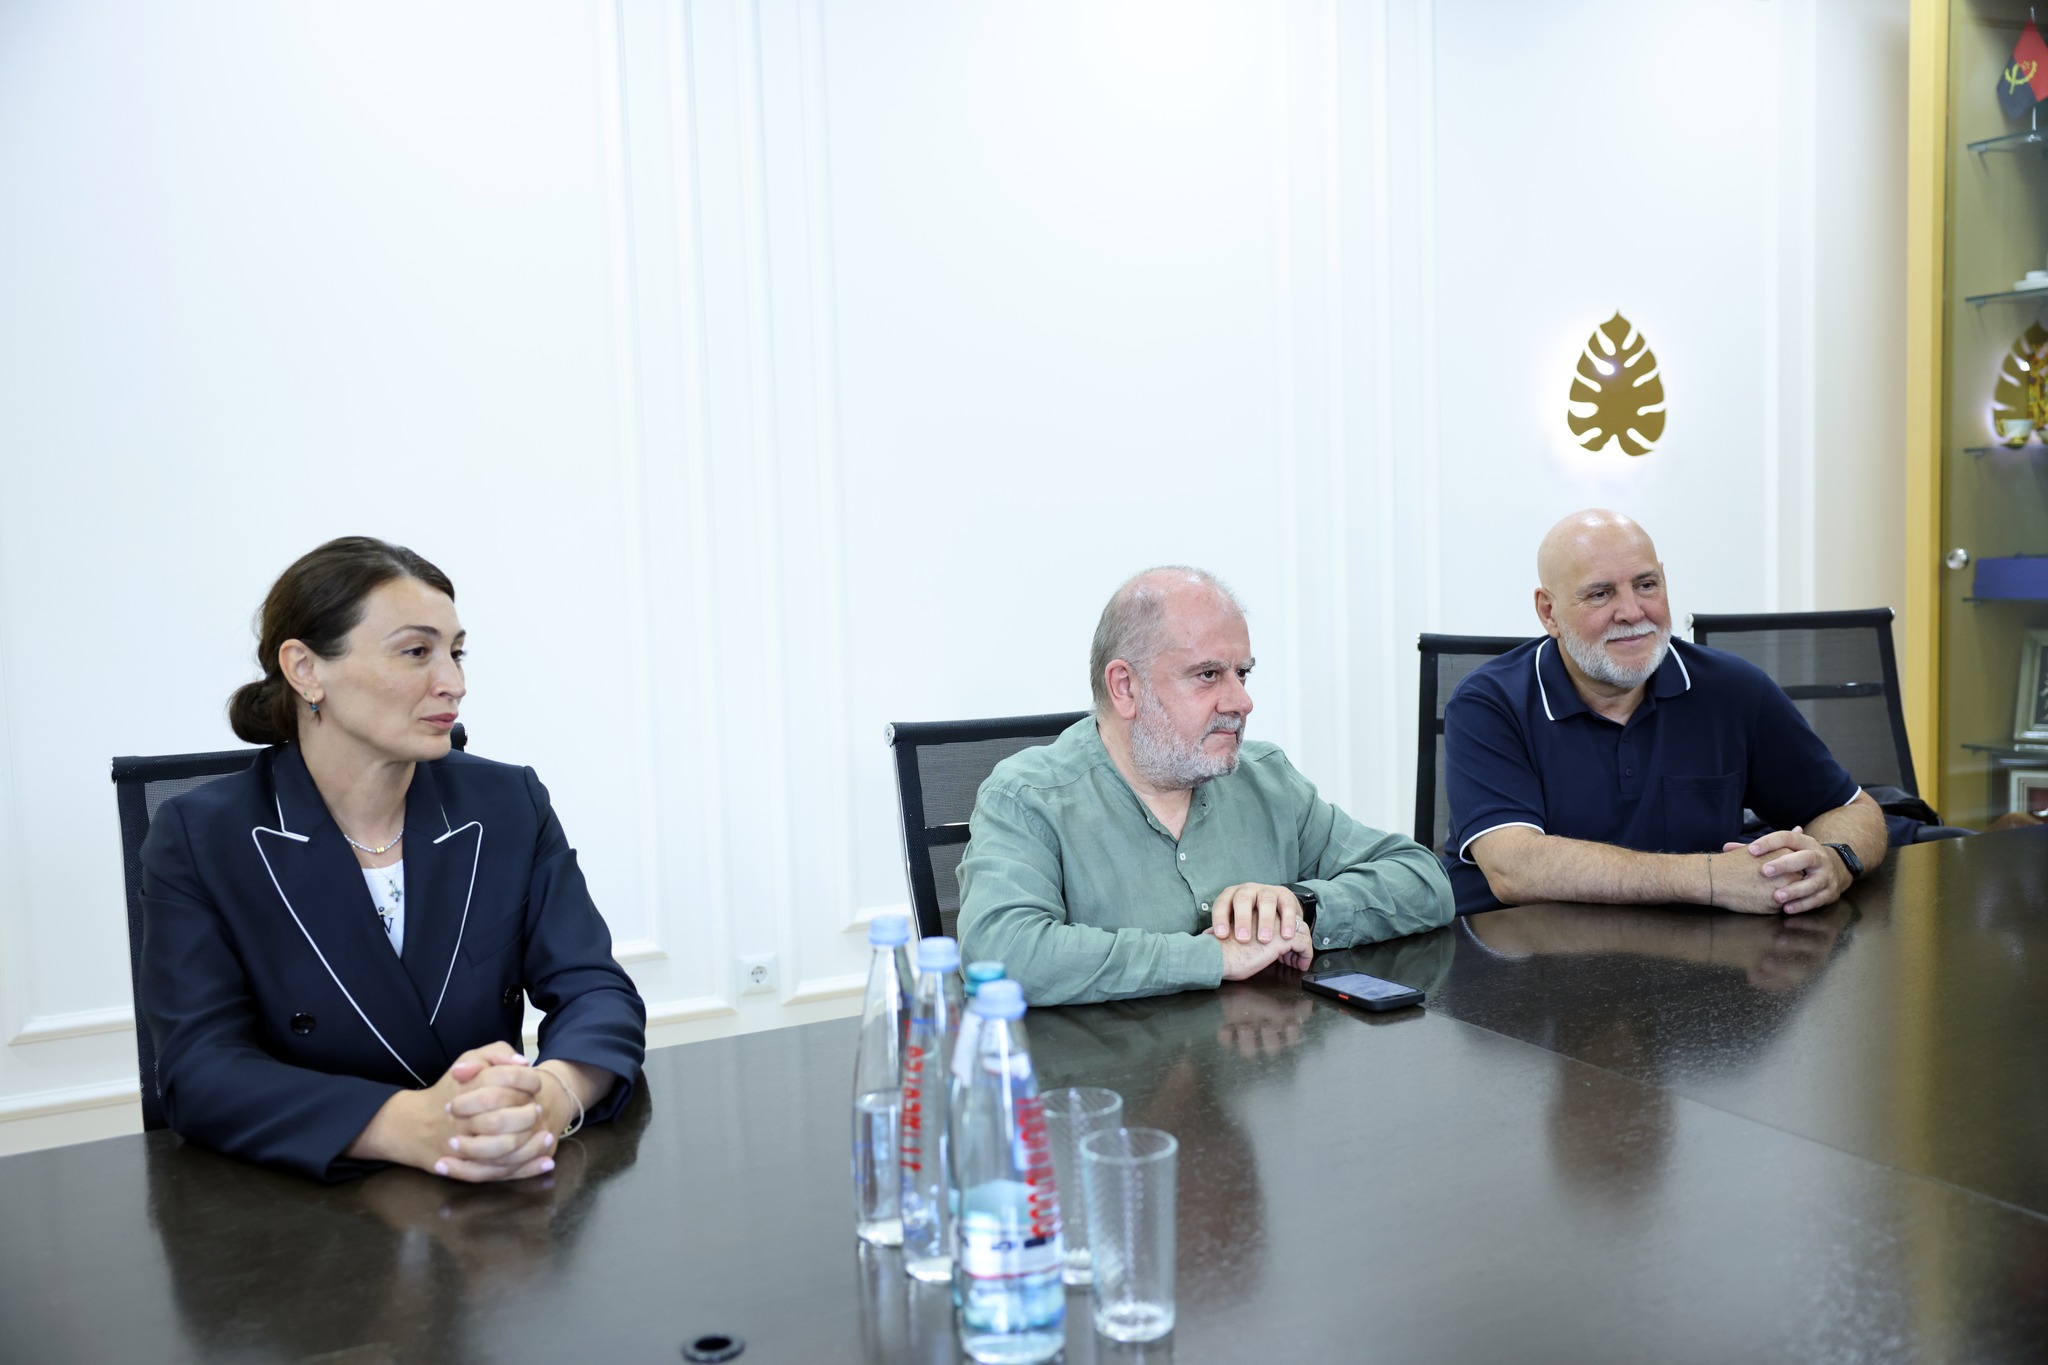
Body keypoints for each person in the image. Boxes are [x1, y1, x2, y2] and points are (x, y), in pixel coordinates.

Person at [139, 537, 646, 1182]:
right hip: (307, 1208)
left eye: (456, 652)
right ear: (305, 668)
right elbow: (199, 1071)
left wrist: (552, 1095)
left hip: (501, 1185)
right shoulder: (200, 835)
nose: (454, 683)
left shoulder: (508, 802)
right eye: (416, 652)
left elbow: (595, 990)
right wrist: (406, 1124)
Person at [955, 566, 1453, 1006]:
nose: (1241, 702)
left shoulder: (1267, 779)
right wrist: (1212, 957)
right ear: (1125, 687)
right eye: (1208, 674)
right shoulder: (1026, 797)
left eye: (1243, 674)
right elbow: (1001, 954)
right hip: (1108, 1076)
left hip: (1259, 1067)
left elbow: (1423, 882)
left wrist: (1296, 908)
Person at [1443, 508, 1889, 915]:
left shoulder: (1734, 689)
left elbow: (1852, 809)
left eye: (1646, 585)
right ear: (1549, 612)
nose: (1632, 611)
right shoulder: (1488, 702)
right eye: (1600, 594)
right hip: (1526, 962)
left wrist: (1835, 862)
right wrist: (1713, 878)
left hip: (1695, 959)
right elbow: (1515, 867)